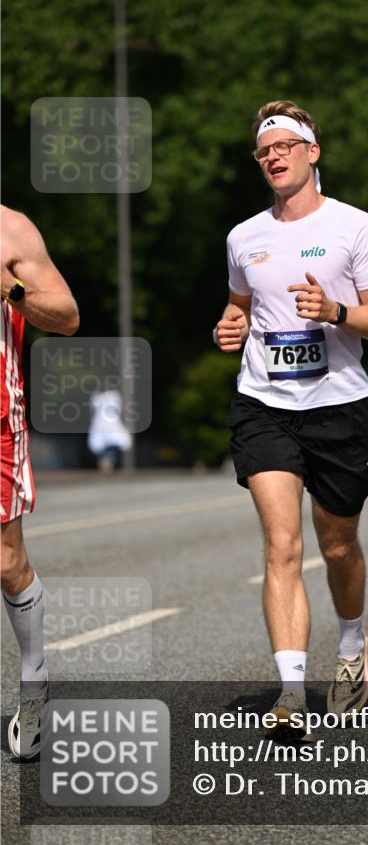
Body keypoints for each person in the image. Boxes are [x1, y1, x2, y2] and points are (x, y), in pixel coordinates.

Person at [214, 101, 368, 731]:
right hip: (264, 403)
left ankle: (351, 643)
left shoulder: (355, 226)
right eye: (264, 151)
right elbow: (239, 306)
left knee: (337, 545)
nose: (273, 157)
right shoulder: (244, 237)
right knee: (282, 546)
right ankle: (291, 692)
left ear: (312, 153)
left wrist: (335, 311)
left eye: (285, 146)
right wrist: (230, 326)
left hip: (339, 406)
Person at [1, 205, 79, 757]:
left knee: (7, 564)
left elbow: (68, 316)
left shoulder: (11, 229)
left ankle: (34, 681)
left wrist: (11, 290)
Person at [87, 388, 131, 472]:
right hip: (103, 427)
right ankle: (106, 464)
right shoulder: (101, 398)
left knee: (109, 449)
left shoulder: (109, 397)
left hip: (109, 427)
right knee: (105, 449)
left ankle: (106, 463)